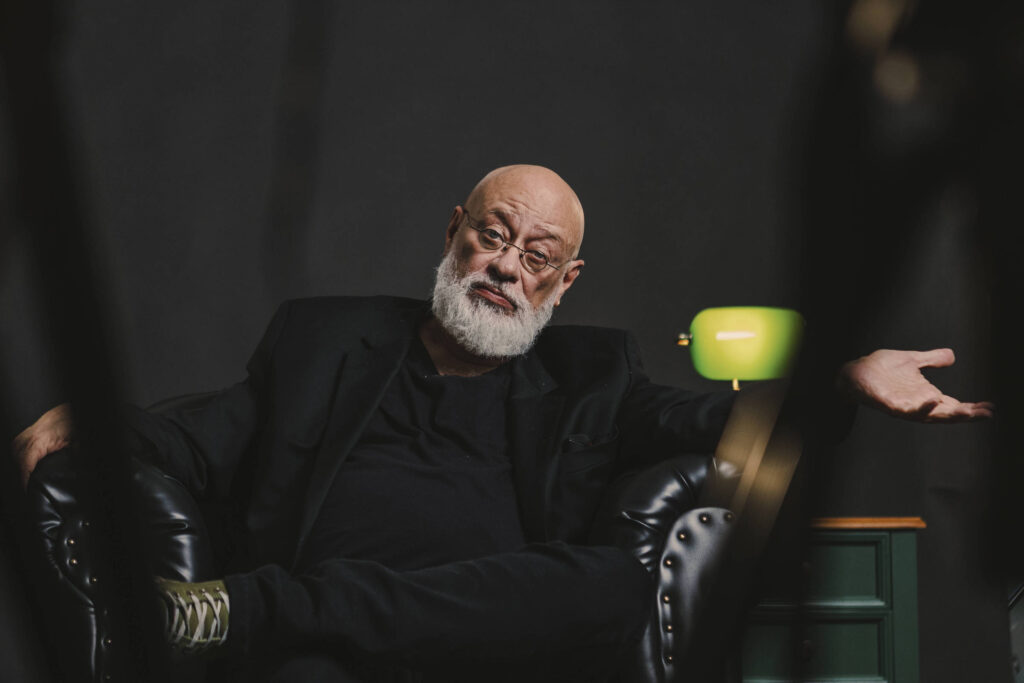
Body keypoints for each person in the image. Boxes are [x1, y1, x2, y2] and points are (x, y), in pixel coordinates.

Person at [12, 165, 993, 681]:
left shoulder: (592, 377)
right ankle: (286, 615)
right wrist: (93, 425)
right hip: (330, 656)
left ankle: (256, 606)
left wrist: (840, 381)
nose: (506, 265)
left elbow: (713, 417)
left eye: (537, 255)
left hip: (494, 640)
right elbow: (200, 436)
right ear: (454, 231)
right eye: (492, 233)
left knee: (609, 582)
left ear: (563, 282)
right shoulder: (323, 344)